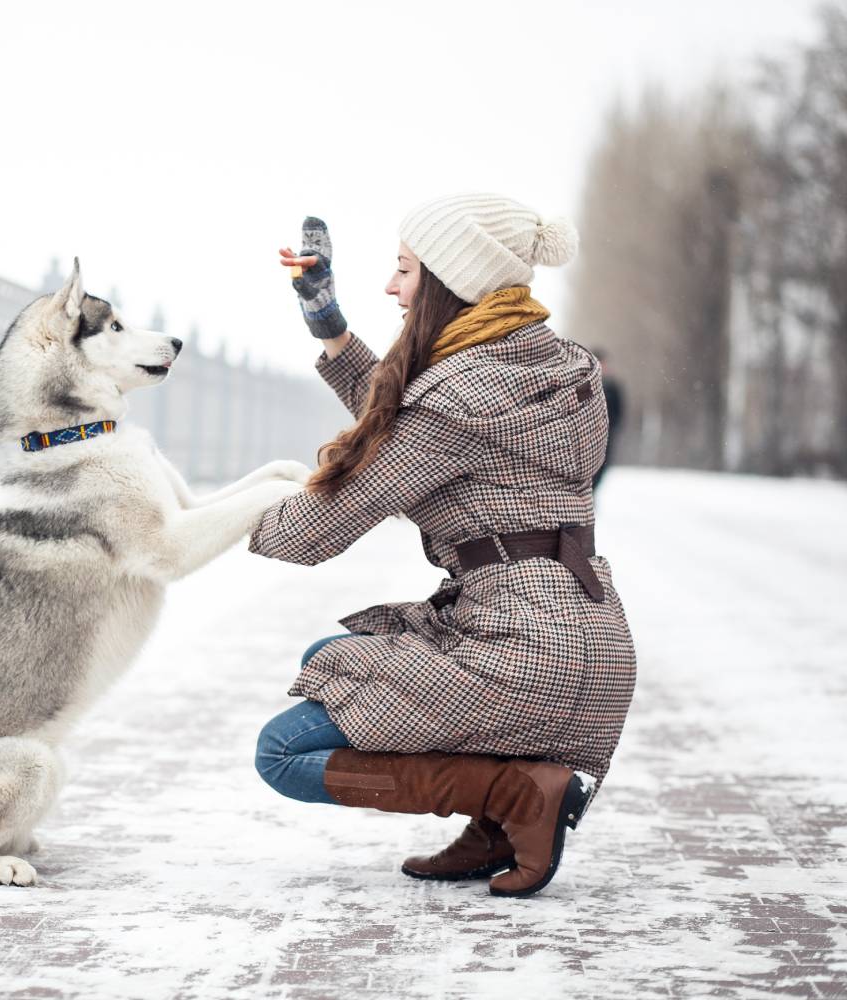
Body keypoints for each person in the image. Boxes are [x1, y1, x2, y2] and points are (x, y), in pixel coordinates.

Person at [249, 197, 637, 898]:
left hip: (521, 647)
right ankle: (501, 818)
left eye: (404, 270)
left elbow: (311, 531)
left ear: (452, 279)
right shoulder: (565, 365)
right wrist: (331, 328)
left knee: (280, 751)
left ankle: (517, 796)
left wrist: (226, 513)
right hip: (592, 637)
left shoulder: (459, 397)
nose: (391, 288)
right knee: (325, 660)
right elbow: (421, 421)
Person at [591, 348, 625, 493]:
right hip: (587, 437)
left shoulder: (613, 387)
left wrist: (608, 429)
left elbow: (619, 413)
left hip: (606, 438)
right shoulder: (585, 385)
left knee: (601, 471)